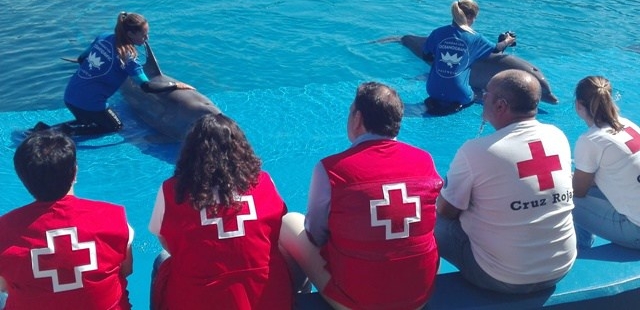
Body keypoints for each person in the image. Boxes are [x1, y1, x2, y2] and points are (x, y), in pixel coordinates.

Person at [280, 82, 443, 310]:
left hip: (358, 302)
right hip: (419, 297)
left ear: (357, 118)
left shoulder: (332, 169)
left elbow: (315, 235)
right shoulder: (425, 160)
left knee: (288, 222)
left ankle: (297, 296)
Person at [435, 69, 576, 294]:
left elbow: (446, 210)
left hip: (502, 277)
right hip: (560, 268)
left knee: (429, 218)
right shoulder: (557, 136)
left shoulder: (476, 151)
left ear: (500, 105)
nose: (481, 98)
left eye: (485, 94)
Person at [148, 113, 293, 310]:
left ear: (190, 152)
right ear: (240, 148)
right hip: (266, 297)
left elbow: (166, 241)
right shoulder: (264, 181)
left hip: (198, 300)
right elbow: (277, 226)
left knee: (162, 259)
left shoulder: (172, 190)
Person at [0, 130, 134, 309]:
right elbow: (126, 270)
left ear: (22, 178)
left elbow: (4, 286)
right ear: (75, 172)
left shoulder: (5, 229)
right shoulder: (113, 218)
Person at [34, 12, 194, 136]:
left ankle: (49, 128)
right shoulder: (128, 58)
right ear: (131, 35)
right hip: (89, 103)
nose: (147, 38)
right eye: (144, 35)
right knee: (115, 127)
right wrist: (176, 85)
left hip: (70, 94)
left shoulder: (104, 37)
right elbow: (146, 86)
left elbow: (82, 58)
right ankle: (53, 132)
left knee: (88, 119)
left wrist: (99, 73)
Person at [572, 76, 640, 249]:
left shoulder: (591, 140)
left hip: (635, 232)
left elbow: (577, 192)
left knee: (561, 196)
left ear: (579, 105)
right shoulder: (627, 124)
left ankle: (582, 244)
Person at [422, 0, 516, 115]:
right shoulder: (475, 38)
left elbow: (426, 55)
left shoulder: (437, 32)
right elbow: (497, 49)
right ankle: (456, 104)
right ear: (471, 17)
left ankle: (437, 100)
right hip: (459, 94)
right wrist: (507, 41)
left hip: (432, 89)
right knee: (473, 95)